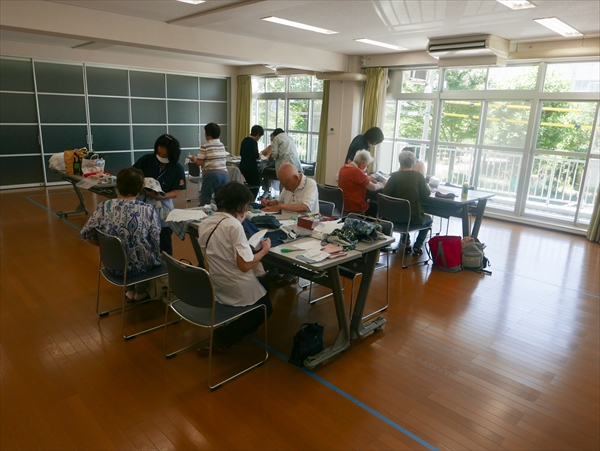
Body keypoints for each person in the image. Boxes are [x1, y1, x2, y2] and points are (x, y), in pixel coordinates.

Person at [197, 182, 273, 351]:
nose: (247, 210)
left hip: (217, 282)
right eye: (247, 206)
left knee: (265, 286)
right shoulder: (233, 226)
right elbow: (245, 266)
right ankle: (224, 336)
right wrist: (264, 251)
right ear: (240, 206)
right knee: (266, 307)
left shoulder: (205, 223)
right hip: (235, 287)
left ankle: (243, 329)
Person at [80, 167, 162, 302]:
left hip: (112, 265)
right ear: (141, 187)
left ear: (117, 185)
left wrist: (107, 246)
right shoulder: (147, 209)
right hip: (140, 268)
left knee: (130, 252)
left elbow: (86, 234)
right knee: (152, 256)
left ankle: (129, 291)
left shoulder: (104, 206)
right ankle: (139, 293)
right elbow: (155, 240)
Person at [134, 134, 186, 256]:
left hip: (163, 205)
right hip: (143, 203)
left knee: (164, 239)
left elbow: (175, 192)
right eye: (159, 154)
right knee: (144, 236)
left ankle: (167, 266)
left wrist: (159, 196)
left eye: (164, 155)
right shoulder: (147, 160)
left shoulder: (177, 168)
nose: (161, 157)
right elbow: (133, 174)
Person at [383, 149, 432, 256]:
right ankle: (418, 246)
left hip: (394, 217)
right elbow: (427, 193)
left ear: (400, 163)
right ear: (413, 163)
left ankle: (406, 242)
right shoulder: (418, 176)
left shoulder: (394, 176)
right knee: (429, 220)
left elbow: (385, 194)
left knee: (403, 213)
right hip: (414, 218)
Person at [190, 122, 228, 207]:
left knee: (206, 197)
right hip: (224, 175)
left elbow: (199, 163)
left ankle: (204, 216)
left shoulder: (205, 146)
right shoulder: (222, 145)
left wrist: (193, 159)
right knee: (221, 199)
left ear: (208, 134)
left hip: (211, 174)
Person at [338, 150, 385, 217]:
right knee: (376, 206)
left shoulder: (343, 168)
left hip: (343, 205)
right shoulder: (357, 172)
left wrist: (367, 177)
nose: (366, 169)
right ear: (362, 163)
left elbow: (355, 178)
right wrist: (382, 184)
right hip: (355, 207)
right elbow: (373, 188)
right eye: (367, 165)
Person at [238, 125, 264, 200]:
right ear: (258, 134)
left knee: (246, 186)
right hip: (251, 168)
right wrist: (259, 156)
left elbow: (241, 153)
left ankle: (246, 200)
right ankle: (251, 201)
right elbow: (255, 156)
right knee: (256, 185)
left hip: (243, 166)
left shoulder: (244, 140)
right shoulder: (253, 142)